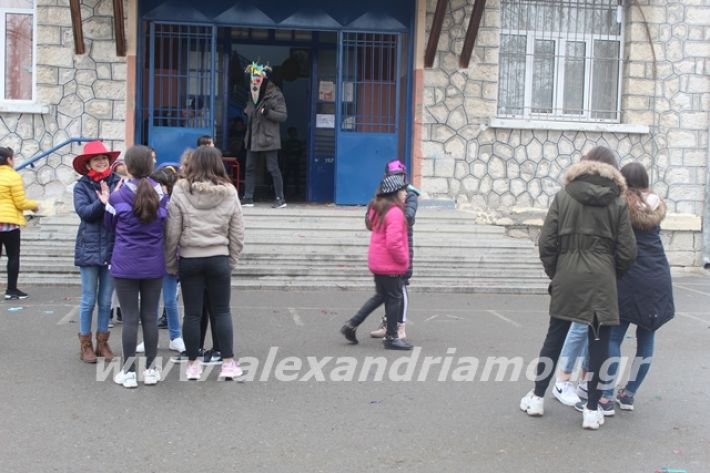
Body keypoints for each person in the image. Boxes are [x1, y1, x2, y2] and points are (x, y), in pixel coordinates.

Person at [519, 146, 637, 430]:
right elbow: (628, 251)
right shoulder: (618, 203)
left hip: (567, 277)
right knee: (599, 345)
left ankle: (537, 398)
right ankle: (592, 410)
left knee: (554, 338)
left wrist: (558, 273)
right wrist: (612, 274)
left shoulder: (564, 196)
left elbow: (547, 242)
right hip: (602, 281)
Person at [598, 162, 674, 412]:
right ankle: (629, 394)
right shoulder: (655, 205)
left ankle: (606, 396)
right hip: (658, 277)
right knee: (647, 338)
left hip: (629, 278)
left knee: (613, 338)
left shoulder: (619, 205)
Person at [164, 145, 245, 380]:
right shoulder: (229, 191)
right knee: (222, 311)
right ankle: (227, 363)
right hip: (218, 257)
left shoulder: (180, 189)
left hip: (190, 258)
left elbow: (172, 231)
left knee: (192, 314)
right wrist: (231, 261)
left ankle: (193, 365)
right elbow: (237, 232)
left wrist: (171, 262)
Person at [107, 145, 169, 388]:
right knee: (150, 317)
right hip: (154, 263)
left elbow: (108, 226)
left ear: (128, 167)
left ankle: (129, 372)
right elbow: (167, 225)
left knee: (130, 318)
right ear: (151, 166)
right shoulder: (162, 195)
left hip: (125, 263)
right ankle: (151, 371)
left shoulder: (117, 196)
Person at [341, 173, 412, 350]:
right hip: (390, 265)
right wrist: (404, 260)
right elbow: (394, 243)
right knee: (395, 298)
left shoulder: (378, 209)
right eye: (403, 190)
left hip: (378, 262)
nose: (406, 193)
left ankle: (352, 324)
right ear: (394, 193)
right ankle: (392, 337)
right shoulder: (395, 213)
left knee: (381, 296)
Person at [72, 140, 122, 363]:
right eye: (96, 159)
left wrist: (114, 200)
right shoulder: (81, 186)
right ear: (88, 164)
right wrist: (102, 202)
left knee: (105, 301)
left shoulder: (118, 182)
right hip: (89, 247)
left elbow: (124, 210)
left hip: (112, 246)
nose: (101, 161)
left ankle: (103, 343)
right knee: (88, 299)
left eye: (104, 158)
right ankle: (85, 345)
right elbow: (84, 213)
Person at [242, 61, 288, 209]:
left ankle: (280, 198)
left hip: (268, 136)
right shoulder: (251, 93)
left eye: (258, 78)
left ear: (264, 78)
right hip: (253, 135)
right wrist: (247, 110)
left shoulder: (275, 94)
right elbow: (249, 110)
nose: (255, 81)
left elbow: (283, 116)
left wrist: (268, 112)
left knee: (273, 168)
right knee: (249, 167)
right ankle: (248, 197)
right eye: (253, 78)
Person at [0, 146, 38, 299]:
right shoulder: (13, 176)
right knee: (13, 256)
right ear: (9, 160)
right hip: (9, 224)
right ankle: (11, 290)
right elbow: (20, 202)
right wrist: (34, 205)